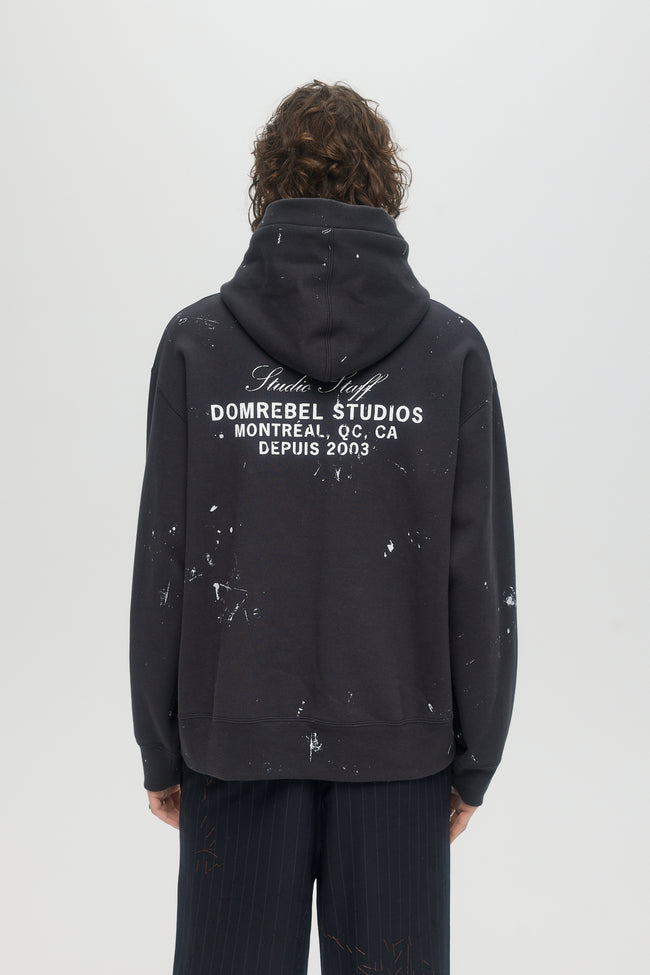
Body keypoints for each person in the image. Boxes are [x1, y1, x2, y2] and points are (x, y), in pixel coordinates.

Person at [129, 78, 518, 975]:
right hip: (400, 751)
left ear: (268, 187)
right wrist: (474, 757)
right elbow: (479, 573)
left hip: (234, 746)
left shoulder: (197, 346)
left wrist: (161, 745)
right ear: (385, 187)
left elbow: (164, 560)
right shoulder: (451, 353)